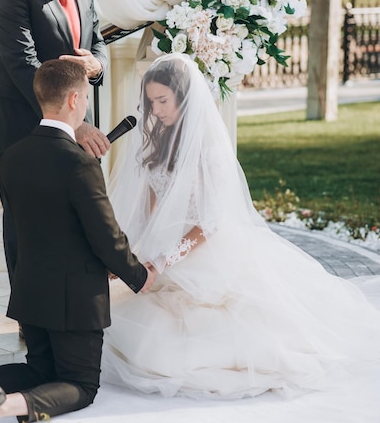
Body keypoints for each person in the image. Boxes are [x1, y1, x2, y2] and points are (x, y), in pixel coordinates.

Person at [102, 52, 380, 400]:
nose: (156, 110)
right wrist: (131, 253)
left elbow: (211, 221)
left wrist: (163, 261)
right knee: (126, 325)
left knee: (183, 342)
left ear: (184, 97)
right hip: (166, 250)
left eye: (163, 100)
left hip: (207, 251)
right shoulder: (156, 142)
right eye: (151, 101)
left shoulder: (208, 147)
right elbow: (149, 211)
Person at [0, 60, 156, 423]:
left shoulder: (13, 157)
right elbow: (105, 235)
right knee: (81, 385)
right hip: (75, 301)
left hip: (30, 292)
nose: (85, 104)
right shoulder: (80, 164)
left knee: (39, 368)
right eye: (85, 97)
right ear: (72, 100)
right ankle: (0, 408)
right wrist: (137, 274)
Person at [0, 0, 110, 287]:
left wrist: (97, 67)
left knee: (73, 224)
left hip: (75, 128)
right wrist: (76, 126)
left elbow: (97, 40)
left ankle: (69, 310)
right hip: (24, 131)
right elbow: (23, 66)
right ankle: (31, 319)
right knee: (27, 229)